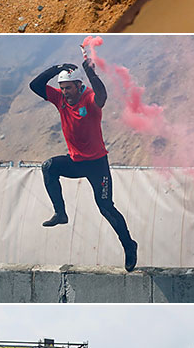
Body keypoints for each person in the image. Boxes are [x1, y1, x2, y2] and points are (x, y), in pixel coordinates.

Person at [29, 51, 138, 271]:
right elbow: (35, 85)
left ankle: (129, 244)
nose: (65, 92)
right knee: (49, 167)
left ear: (79, 85)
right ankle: (60, 213)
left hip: (97, 164)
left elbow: (102, 97)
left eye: (68, 88)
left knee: (106, 207)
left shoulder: (89, 97)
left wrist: (91, 74)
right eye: (62, 88)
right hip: (76, 162)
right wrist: (56, 68)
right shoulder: (60, 99)